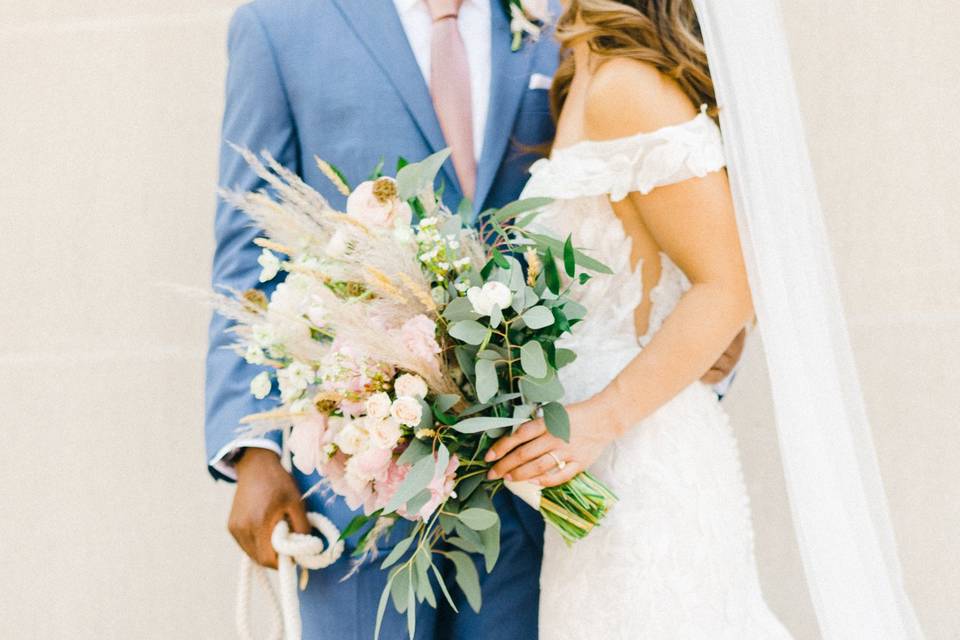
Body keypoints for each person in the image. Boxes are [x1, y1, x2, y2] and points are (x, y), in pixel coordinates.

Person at [205, 0, 743, 637]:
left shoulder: (566, 25)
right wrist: (252, 451)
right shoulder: (279, 26)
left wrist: (686, 359)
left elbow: (694, 251)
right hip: (364, 482)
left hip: (537, 476)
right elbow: (248, 250)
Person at [487, 1, 924, 638]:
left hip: (638, 461)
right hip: (596, 464)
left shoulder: (627, 86)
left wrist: (598, 419)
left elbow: (731, 286)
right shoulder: (585, 66)